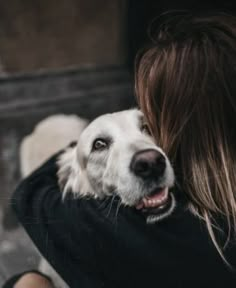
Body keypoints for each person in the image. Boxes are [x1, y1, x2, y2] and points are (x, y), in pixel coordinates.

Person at [4, 12, 236, 288]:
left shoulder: (111, 231)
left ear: (186, 128)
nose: (146, 156)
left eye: (151, 121)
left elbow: (30, 196)